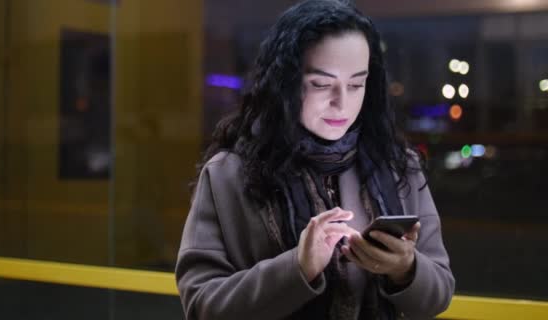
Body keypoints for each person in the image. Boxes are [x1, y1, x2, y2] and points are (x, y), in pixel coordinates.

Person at [176, 0, 455, 319]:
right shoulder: (229, 174)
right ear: (285, 83)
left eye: (356, 84)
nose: (342, 103)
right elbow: (200, 306)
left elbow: (439, 295)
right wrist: (297, 268)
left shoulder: (398, 166)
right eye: (321, 84)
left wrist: (406, 269)